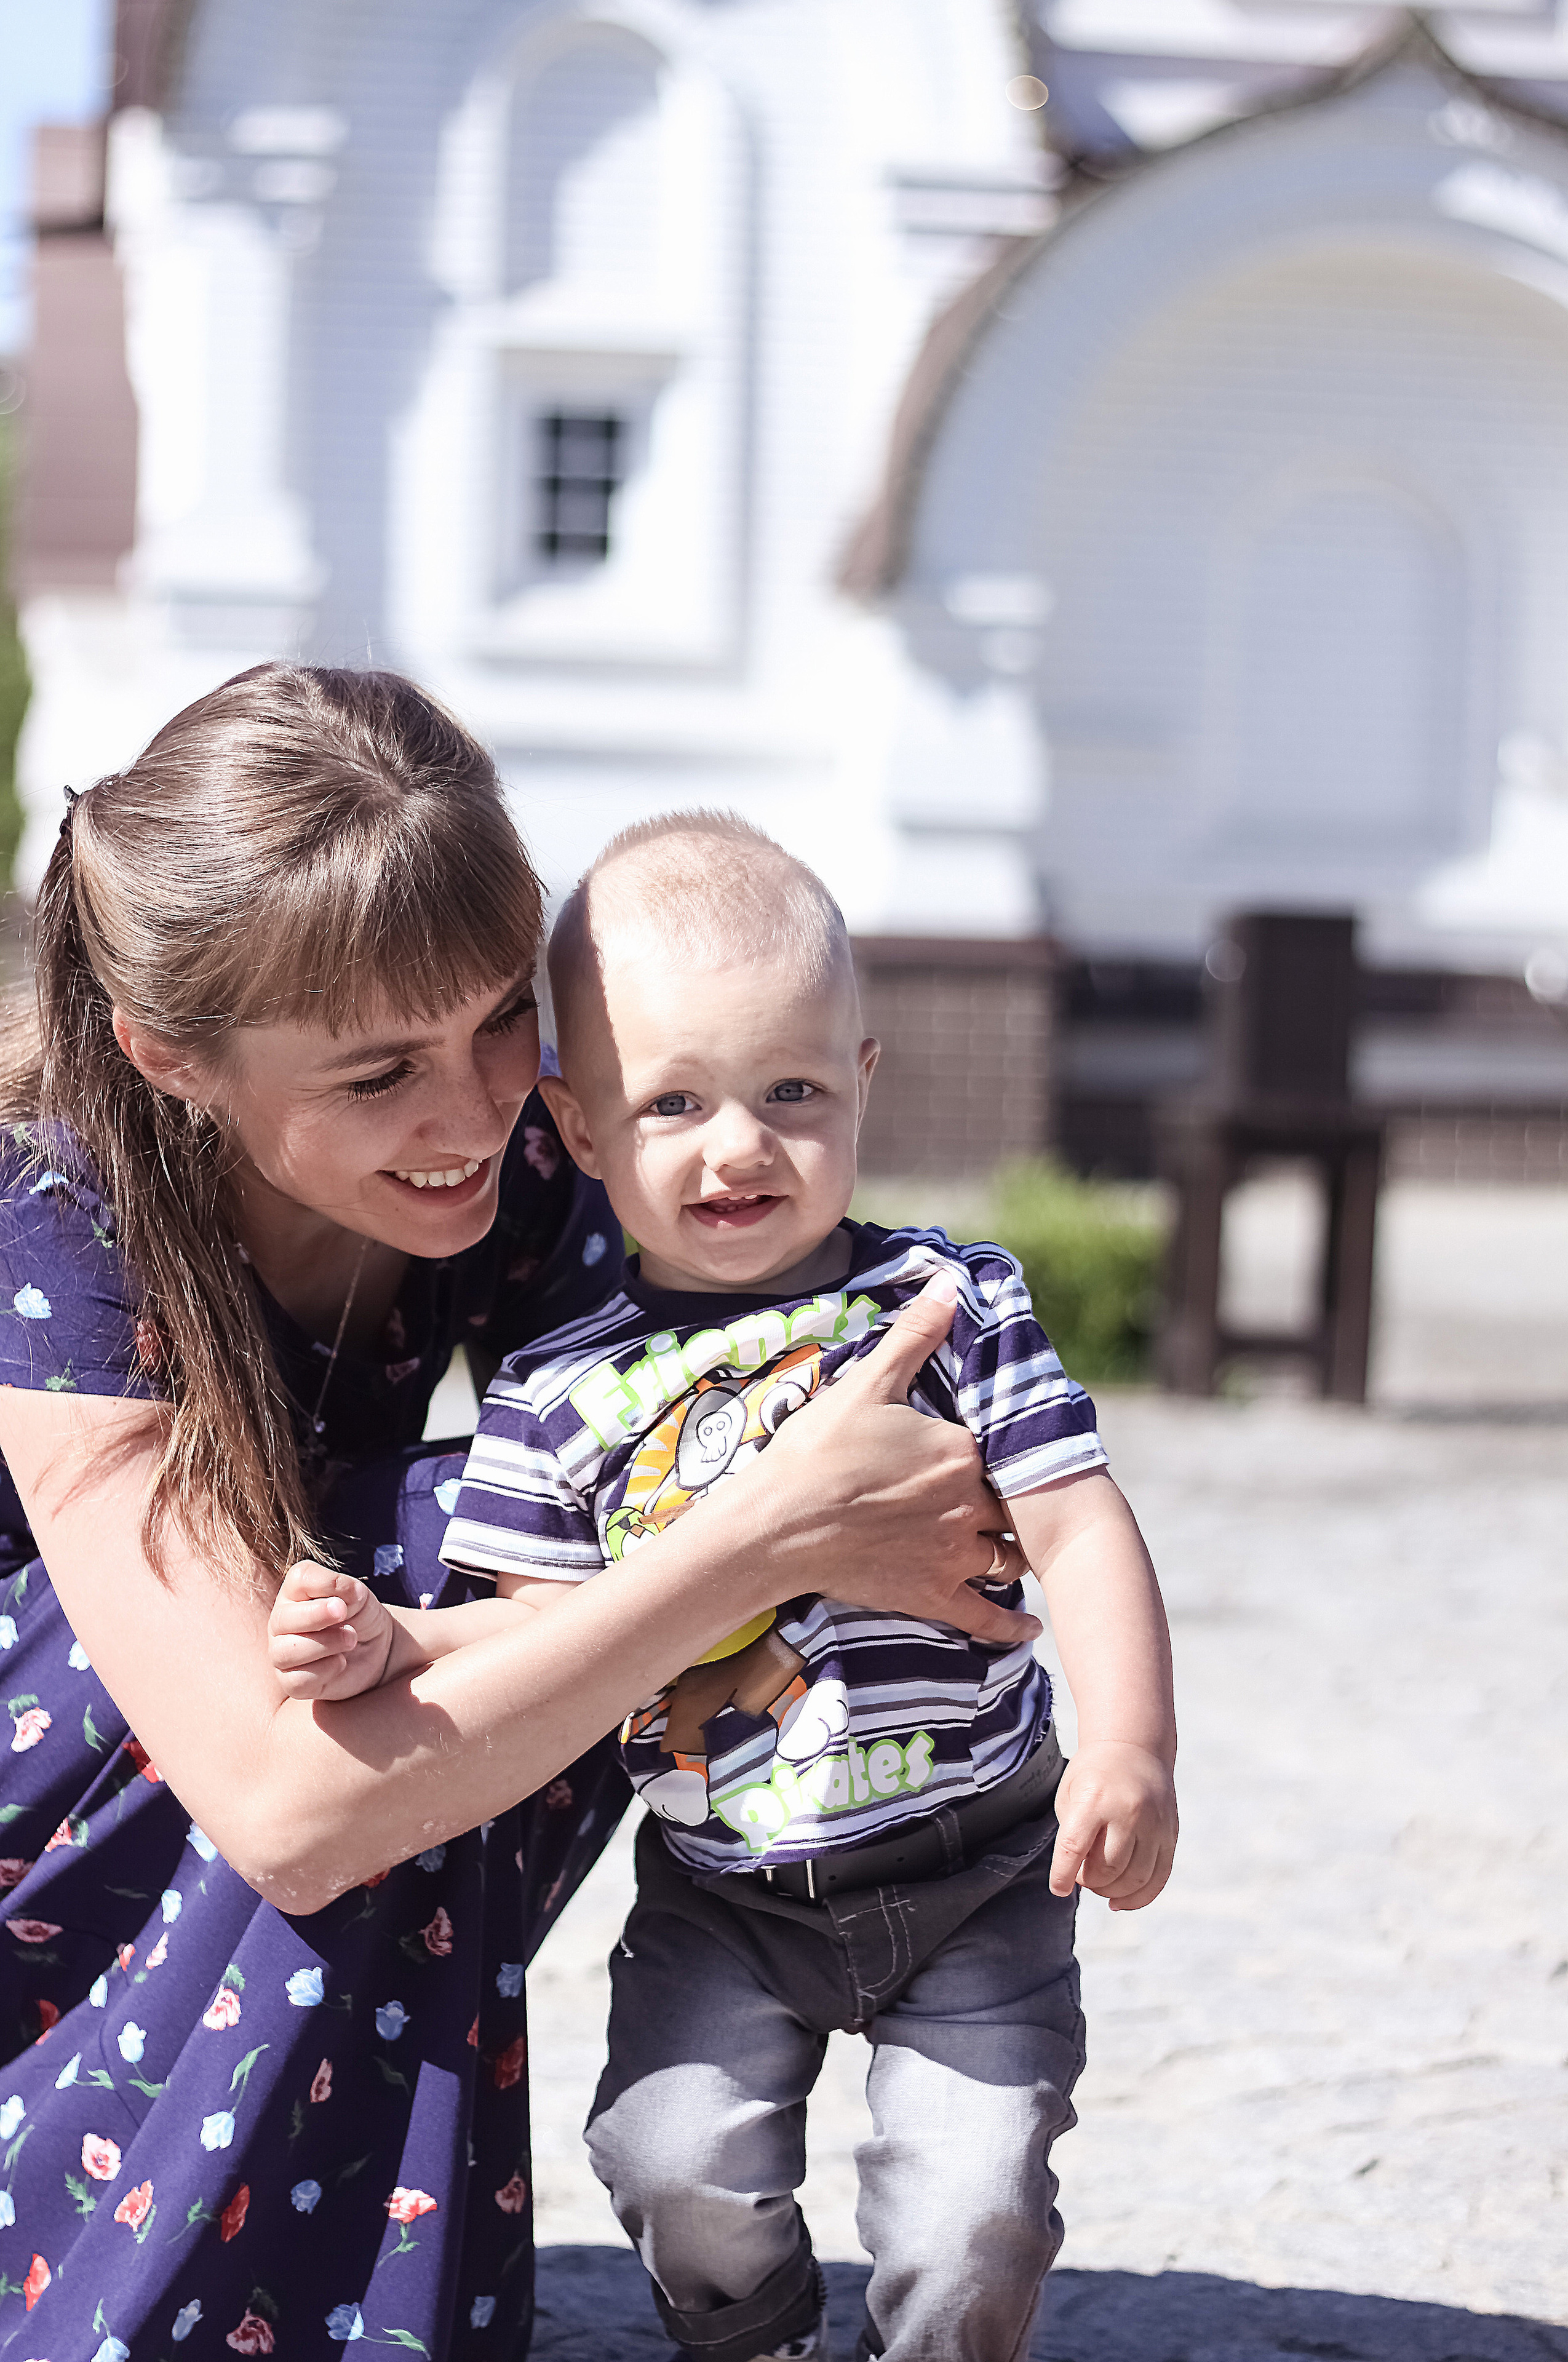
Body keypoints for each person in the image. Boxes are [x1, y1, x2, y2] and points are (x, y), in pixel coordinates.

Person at [0, 675, 1030, 2361]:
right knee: (379, 1587)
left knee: (522, 1528)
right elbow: (281, 1802)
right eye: (380, 1071)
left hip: (290, 1749)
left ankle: (344, 2262)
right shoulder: (58, 1225)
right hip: (60, 1847)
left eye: (500, 1020)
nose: (476, 1110)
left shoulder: (511, 1163)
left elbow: (804, 1373)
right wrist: (767, 1538)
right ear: (169, 1056)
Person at [281, 811, 1180, 2362]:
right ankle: (752, 2336)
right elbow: (541, 1635)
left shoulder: (947, 1304)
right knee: (666, 2158)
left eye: (791, 1092)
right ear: (570, 1124)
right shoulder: (561, 1393)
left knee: (969, 2215)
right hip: (723, 1894)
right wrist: (397, 1632)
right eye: (673, 1102)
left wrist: (1130, 1745)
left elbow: (1076, 1521)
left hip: (974, 1867)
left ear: (862, 1082)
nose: (737, 1145)